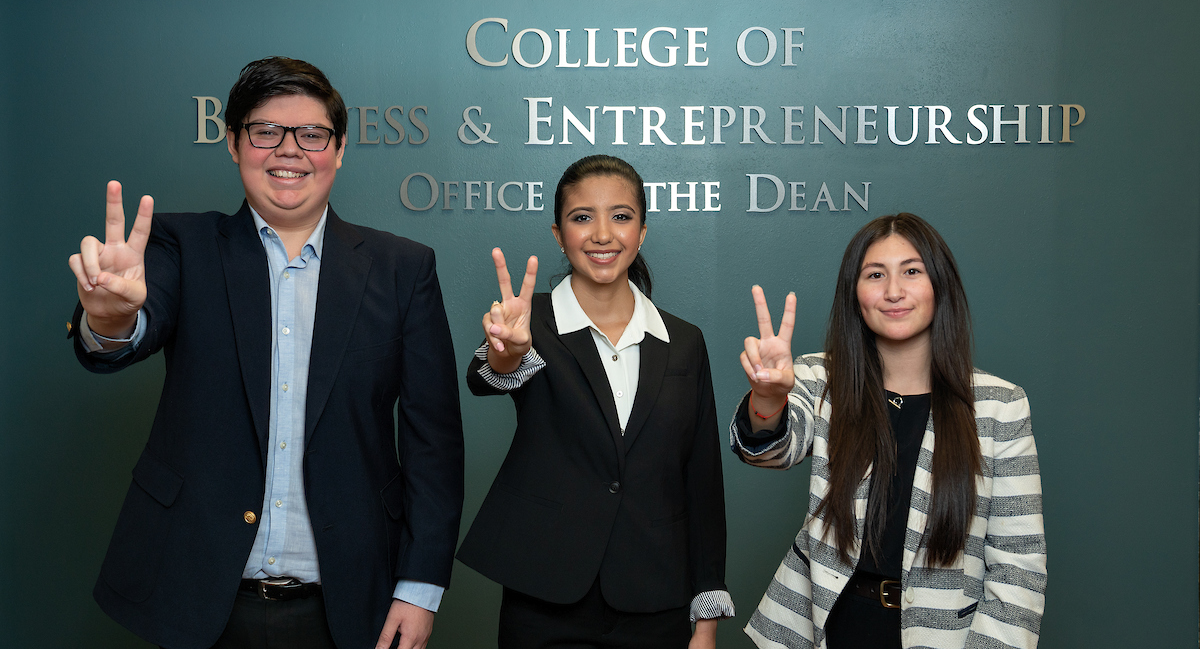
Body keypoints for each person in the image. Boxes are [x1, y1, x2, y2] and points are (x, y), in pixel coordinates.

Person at [66, 57, 464, 649]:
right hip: (198, 594)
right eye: (265, 132)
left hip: (352, 600)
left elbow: (435, 444)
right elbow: (131, 330)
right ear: (233, 143)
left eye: (312, 134)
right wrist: (112, 317)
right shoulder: (183, 244)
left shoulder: (403, 269)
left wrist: (420, 586)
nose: (290, 150)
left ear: (339, 147)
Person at [731, 213, 1045, 649]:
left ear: (940, 285)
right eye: (875, 275)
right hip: (821, 629)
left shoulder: (999, 405)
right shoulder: (820, 378)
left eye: (912, 272)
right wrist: (768, 399)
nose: (893, 291)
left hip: (942, 637)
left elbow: (1018, 568)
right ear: (854, 294)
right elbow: (769, 451)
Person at [455, 155, 732, 649]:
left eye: (621, 216)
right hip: (546, 596)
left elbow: (702, 480)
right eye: (582, 218)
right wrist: (506, 354)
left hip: (656, 597)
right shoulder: (527, 324)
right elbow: (485, 376)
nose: (603, 234)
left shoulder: (684, 341)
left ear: (642, 231)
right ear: (559, 234)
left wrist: (706, 621)